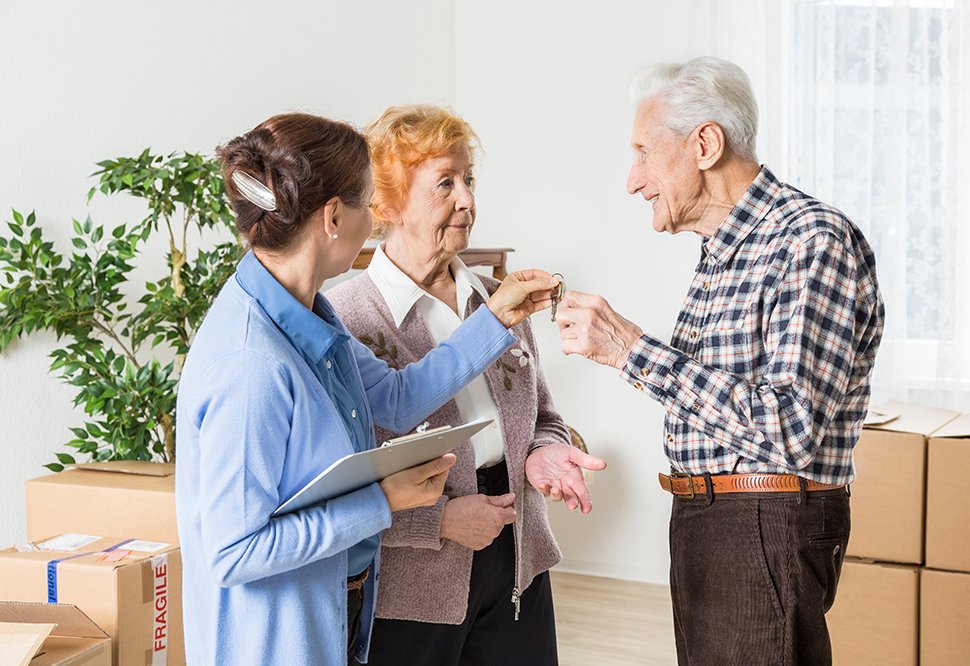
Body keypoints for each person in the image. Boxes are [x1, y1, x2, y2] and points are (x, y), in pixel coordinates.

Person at [174, 112, 559, 665]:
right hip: (276, 643)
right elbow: (234, 551)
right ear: (335, 217)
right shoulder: (250, 362)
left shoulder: (309, 315)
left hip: (335, 615)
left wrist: (495, 317)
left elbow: (399, 399)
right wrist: (384, 500)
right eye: (367, 201)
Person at [554, 57, 885, 665]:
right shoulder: (724, 250)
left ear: (705, 144)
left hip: (762, 520)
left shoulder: (809, 241)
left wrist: (630, 349)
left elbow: (788, 430)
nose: (633, 180)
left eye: (643, 153)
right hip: (711, 519)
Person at [326, 104, 605, 666]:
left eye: (469, 179)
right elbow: (336, 486)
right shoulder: (345, 317)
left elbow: (544, 416)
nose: (467, 200)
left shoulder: (498, 300)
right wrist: (439, 522)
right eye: (445, 183)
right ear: (386, 204)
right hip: (411, 584)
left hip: (518, 557)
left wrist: (544, 453)